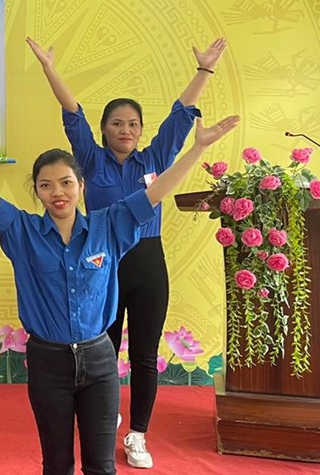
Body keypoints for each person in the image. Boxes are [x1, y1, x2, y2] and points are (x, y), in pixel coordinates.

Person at [0, 109, 239, 475]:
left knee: (101, 466)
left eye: (66, 182)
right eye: (46, 185)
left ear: (81, 184)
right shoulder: (22, 231)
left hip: (99, 361)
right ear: (37, 191)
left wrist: (197, 148)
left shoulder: (109, 224)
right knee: (58, 465)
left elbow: (156, 192)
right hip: (48, 363)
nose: (57, 193)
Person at [27, 36, 226, 469]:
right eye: (117, 123)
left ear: (140, 130)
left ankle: (137, 434)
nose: (126, 130)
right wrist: (49, 68)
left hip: (148, 262)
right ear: (104, 130)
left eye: (133, 124)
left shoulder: (154, 158)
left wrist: (204, 70)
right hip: (100, 264)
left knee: (144, 356)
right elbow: (72, 113)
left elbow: (180, 115)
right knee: (104, 348)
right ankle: (103, 414)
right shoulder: (90, 160)